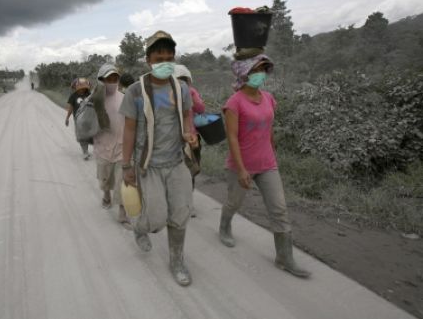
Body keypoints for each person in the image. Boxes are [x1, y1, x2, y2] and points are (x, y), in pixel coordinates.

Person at [219, 54, 311, 278]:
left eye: (263, 69)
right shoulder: (234, 102)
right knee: (234, 202)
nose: (261, 74)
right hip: (241, 165)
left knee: (279, 208)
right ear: (244, 74)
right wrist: (241, 169)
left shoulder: (269, 98)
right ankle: (224, 226)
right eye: (256, 70)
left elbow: (269, 128)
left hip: (268, 164)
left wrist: (273, 149)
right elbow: (232, 137)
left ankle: (284, 258)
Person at [119, 30, 198, 286]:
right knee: (156, 218)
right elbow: (129, 129)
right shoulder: (135, 91)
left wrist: (189, 134)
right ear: (148, 59)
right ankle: (140, 227)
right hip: (149, 165)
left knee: (180, 213)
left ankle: (177, 261)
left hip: (176, 162)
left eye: (169, 57)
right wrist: (126, 165)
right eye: (159, 57)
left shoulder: (182, 88)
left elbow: (187, 115)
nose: (165, 62)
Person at [92, 64, 129, 224]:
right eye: (108, 79)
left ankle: (122, 213)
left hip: (122, 147)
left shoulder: (125, 98)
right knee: (105, 179)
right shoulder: (93, 100)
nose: (112, 81)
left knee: (123, 182)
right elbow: (85, 124)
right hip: (102, 147)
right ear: (101, 80)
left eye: (115, 78)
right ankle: (106, 195)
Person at [173, 65, 206, 189]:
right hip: (192, 137)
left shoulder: (169, 92)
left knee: (179, 166)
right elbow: (201, 108)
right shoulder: (191, 91)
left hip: (175, 137)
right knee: (192, 164)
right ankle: (188, 191)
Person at [65, 77, 92, 160]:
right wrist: (67, 118)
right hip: (78, 119)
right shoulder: (73, 96)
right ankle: (85, 152)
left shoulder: (89, 95)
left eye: (83, 88)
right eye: (80, 88)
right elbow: (70, 108)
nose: (82, 90)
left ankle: (88, 149)